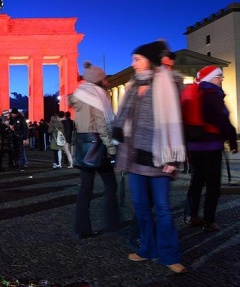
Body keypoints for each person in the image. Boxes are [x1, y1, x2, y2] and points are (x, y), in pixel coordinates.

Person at [112, 41, 187, 273]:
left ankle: (169, 255)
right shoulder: (134, 85)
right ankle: (147, 249)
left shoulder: (167, 83)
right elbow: (122, 119)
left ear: (149, 60)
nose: (132, 64)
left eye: (137, 59)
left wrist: (172, 158)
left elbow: (175, 122)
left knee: (163, 209)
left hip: (158, 158)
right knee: (141, 208)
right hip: (134, 157)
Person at [68, 61, 119, 238]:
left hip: (83, 144)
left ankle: (81, 230)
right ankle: (113, 225)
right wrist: (112, 149)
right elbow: (102, 126)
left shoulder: (79, 95)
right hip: (98, 146)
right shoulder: (97, 96)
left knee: (85, 189)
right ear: (98, 80)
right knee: (111, 185)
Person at [185, 65, 238, 231]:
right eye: (219, 76)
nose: (222, 79)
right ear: (211, 78)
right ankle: (209, 220)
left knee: (196, 181)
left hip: (194, 145)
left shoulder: (196, 93)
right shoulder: (213, 94)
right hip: (211, 145)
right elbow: (221, 119)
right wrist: (232, 138)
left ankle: (192, 216)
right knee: (213, 185)